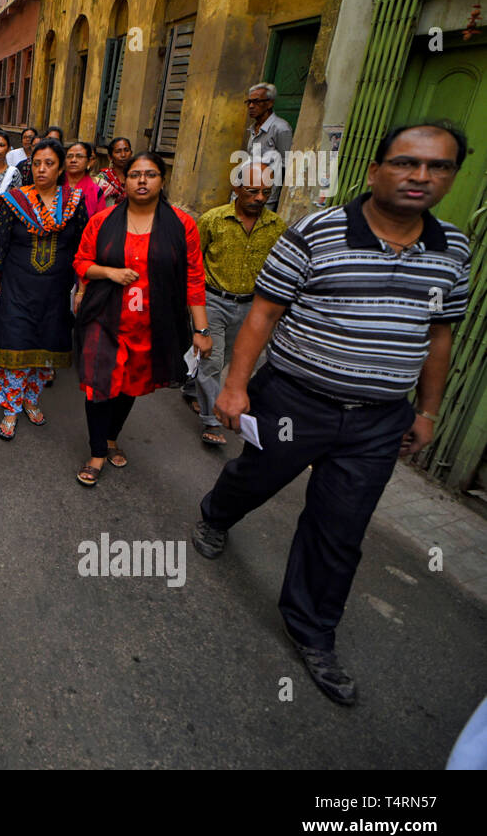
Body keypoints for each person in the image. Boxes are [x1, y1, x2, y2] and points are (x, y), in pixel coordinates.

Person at [193, 123, 471, 706]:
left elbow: (438, 337)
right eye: (406, 163)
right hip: (294, 400)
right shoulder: (316, 232)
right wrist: (236, 387)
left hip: (378, 420)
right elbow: (264, 314)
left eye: (439, 167)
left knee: (340, 527)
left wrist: (427, 411)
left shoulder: (453, 250)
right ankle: (216, 515)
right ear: (375, 171)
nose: (421, 176)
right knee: (256, 476)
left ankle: (314, 630)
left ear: (451, 176)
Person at [73, 152, 211, 486]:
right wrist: (110, 272)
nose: (142, 181)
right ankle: (96, 452)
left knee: (129, 386)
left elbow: (194, 277)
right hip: (103, 317)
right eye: (135, 174)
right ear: (125, 180)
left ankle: (111, 436)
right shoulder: (103, 220)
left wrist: (201, 328)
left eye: (150, 174)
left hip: (152, 322)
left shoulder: (181, 224)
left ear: (162, 180)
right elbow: (81, 262)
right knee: (98, 386)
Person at [0, 139, 90, 440]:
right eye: (36, 163)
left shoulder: (74, 201)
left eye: (49, 164)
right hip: (18, 289)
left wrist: (82, 290)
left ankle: (31, 399)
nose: (42, 169)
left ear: (60, 169)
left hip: (56, 292)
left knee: (45, 348)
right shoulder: (12, 200)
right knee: (14, 343)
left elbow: (83, 248)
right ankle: (10, 407)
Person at [193, 160, 285, 446]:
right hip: (213, 300)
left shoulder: (277, 227)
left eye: (266, 192)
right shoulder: (212, 220)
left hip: (250, 305)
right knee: (212, 360)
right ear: (236, 188)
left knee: (227, 359)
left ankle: (189, 384)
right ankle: (211, 421)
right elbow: (194, 261)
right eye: (253, 190)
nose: (259, 198)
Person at [244, 82, 293, 211]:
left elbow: (285, 163)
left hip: (265, 196)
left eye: (256, 102)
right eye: (248, 102)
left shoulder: (281, 129)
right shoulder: (254, 128)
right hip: (247, 190)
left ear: (270, 103)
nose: (251, 106)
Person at [64, 141, 106, 217]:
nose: (73, 160)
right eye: (69, 156)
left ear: (89, 162)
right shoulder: (55, 183)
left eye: (79, 156)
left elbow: (99, 221)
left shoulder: (96, 192)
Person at [96, 136, 132, 209]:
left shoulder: (137, 177)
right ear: (110, 157)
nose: (123, 155)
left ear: (131, 153)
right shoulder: (103, 178)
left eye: (126, 150)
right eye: (118, 152)